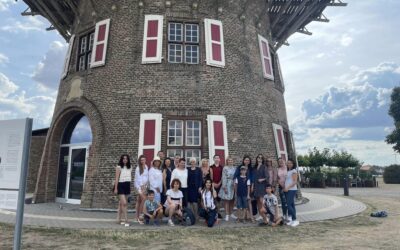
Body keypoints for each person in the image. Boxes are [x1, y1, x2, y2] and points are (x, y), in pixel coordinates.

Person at [113, 154, 132, 226]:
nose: (125, 160)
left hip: (127, 185)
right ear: (121, 159)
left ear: (128, 160)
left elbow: (129, 177)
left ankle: (118, 218)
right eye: (123, 158)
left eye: (126, 159)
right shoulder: (118, 167)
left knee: (121, 203)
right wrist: (115, 188)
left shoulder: (130, 167)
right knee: (124, 203)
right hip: (120, 185)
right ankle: (126, 219)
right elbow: (117, 178)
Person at [234, 155, 255, 222]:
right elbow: (235, 176)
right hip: (240, 188)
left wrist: (252, 186)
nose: (247, 161)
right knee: (240, 204)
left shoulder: (251, 169)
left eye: (248, 160)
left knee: (248, 202)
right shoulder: (239, 167)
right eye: (246, 160)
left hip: (248, 187)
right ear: (243, 160)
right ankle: (241, 217)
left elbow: (252, 178)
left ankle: (251, 216)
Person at [218, 157, 237, 221]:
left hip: (233, 185)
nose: (230, 161)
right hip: (227, 184)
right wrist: (224, 186)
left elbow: (236, 177)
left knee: (232, 200)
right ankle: (227, 215)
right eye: (229, 160)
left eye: (231, 160)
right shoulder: (225, 168)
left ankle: (231, 213)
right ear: (227, 161)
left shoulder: (235, 168)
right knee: (227, 200)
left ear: (233, 161)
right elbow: (223, 177)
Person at [253, 154, 269, 221]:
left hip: (262, 185)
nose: (259, 159)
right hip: (256, 186)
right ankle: (260, 215)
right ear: (257, 159)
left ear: (262, 159)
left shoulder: (264, 166)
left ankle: (266, 216)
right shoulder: (255, 167)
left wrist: (262, 179)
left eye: (261, 158)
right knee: (258, 202)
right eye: (258, 157)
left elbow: (267, 177)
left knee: (262, 202)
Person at [134, 155, 149, 225]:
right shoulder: (138, 168)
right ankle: (139, 216)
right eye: (141, 160)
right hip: (139, 187)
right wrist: (139, 188)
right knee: (143, 200)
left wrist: (145, 186)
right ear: (140, 161)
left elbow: (147, 177)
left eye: (144, 160)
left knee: (139, 201)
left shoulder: (146, 167)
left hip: (144, 187)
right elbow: (137, 179)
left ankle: (137, 217)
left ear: (145, 160)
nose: (142, 161)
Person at [284, 159, 299, 227]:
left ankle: (295, 220)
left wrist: (287, 188)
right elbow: (288, 181)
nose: (289, 164)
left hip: (292, 189)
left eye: (290, 163)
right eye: (288, 163)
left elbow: (295, 182)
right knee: (292, 205)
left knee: (288, 204)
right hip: (288, 190)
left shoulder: (294, 171)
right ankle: (292, 220)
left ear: (293, 164)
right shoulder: (288, 171)